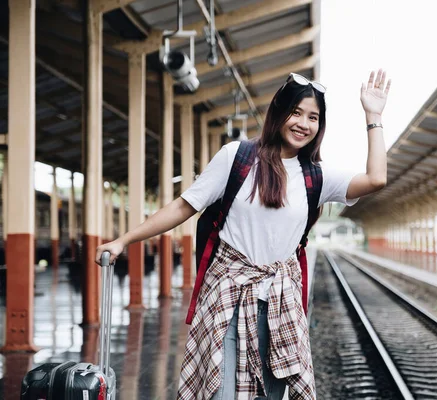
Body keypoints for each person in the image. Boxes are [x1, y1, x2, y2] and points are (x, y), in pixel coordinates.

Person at [96, 69, 391, 400]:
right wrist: (124, 240)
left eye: (313, 117)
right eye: (296, 112)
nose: (303, 124)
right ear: (278, 112)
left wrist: (373, 116)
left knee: (271, 394)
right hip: (229, 297)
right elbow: (184, 206)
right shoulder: (237, 157)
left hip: (282, 304)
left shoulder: (316, 176)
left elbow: (376, 179)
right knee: (221, 393)